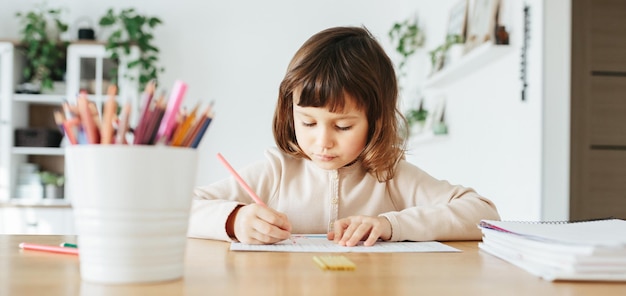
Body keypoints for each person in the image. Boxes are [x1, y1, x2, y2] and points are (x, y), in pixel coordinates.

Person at [188, 26, 500, 246]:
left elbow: (484, 213)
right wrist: (235, 220)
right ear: (289, 112)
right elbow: (182, 209)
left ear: (375, 122)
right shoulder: (277, 171)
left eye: (343, 127)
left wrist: (392, 225)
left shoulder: (390, 175)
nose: (322, 142)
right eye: (308, 123)